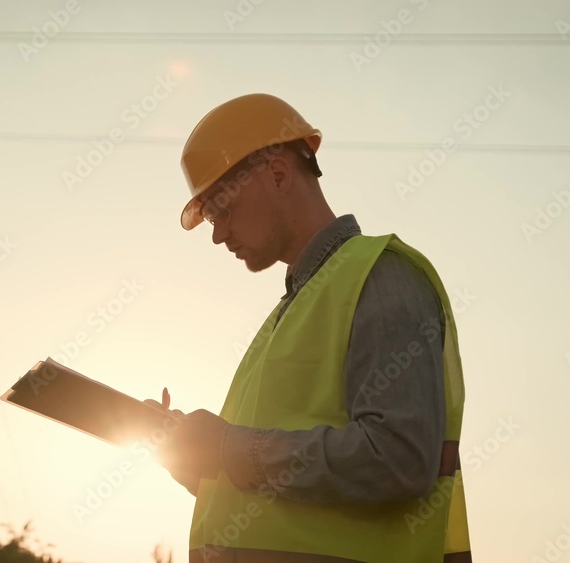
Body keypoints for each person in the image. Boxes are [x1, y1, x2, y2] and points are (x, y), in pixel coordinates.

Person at [144, 93, 472, 562]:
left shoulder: (379, 276)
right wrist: (191, 455)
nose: (217, 234)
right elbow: (281, 502)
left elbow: (398, 460)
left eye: (222, 210)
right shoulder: (287, 316)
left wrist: (227, 446)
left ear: (277, 174)